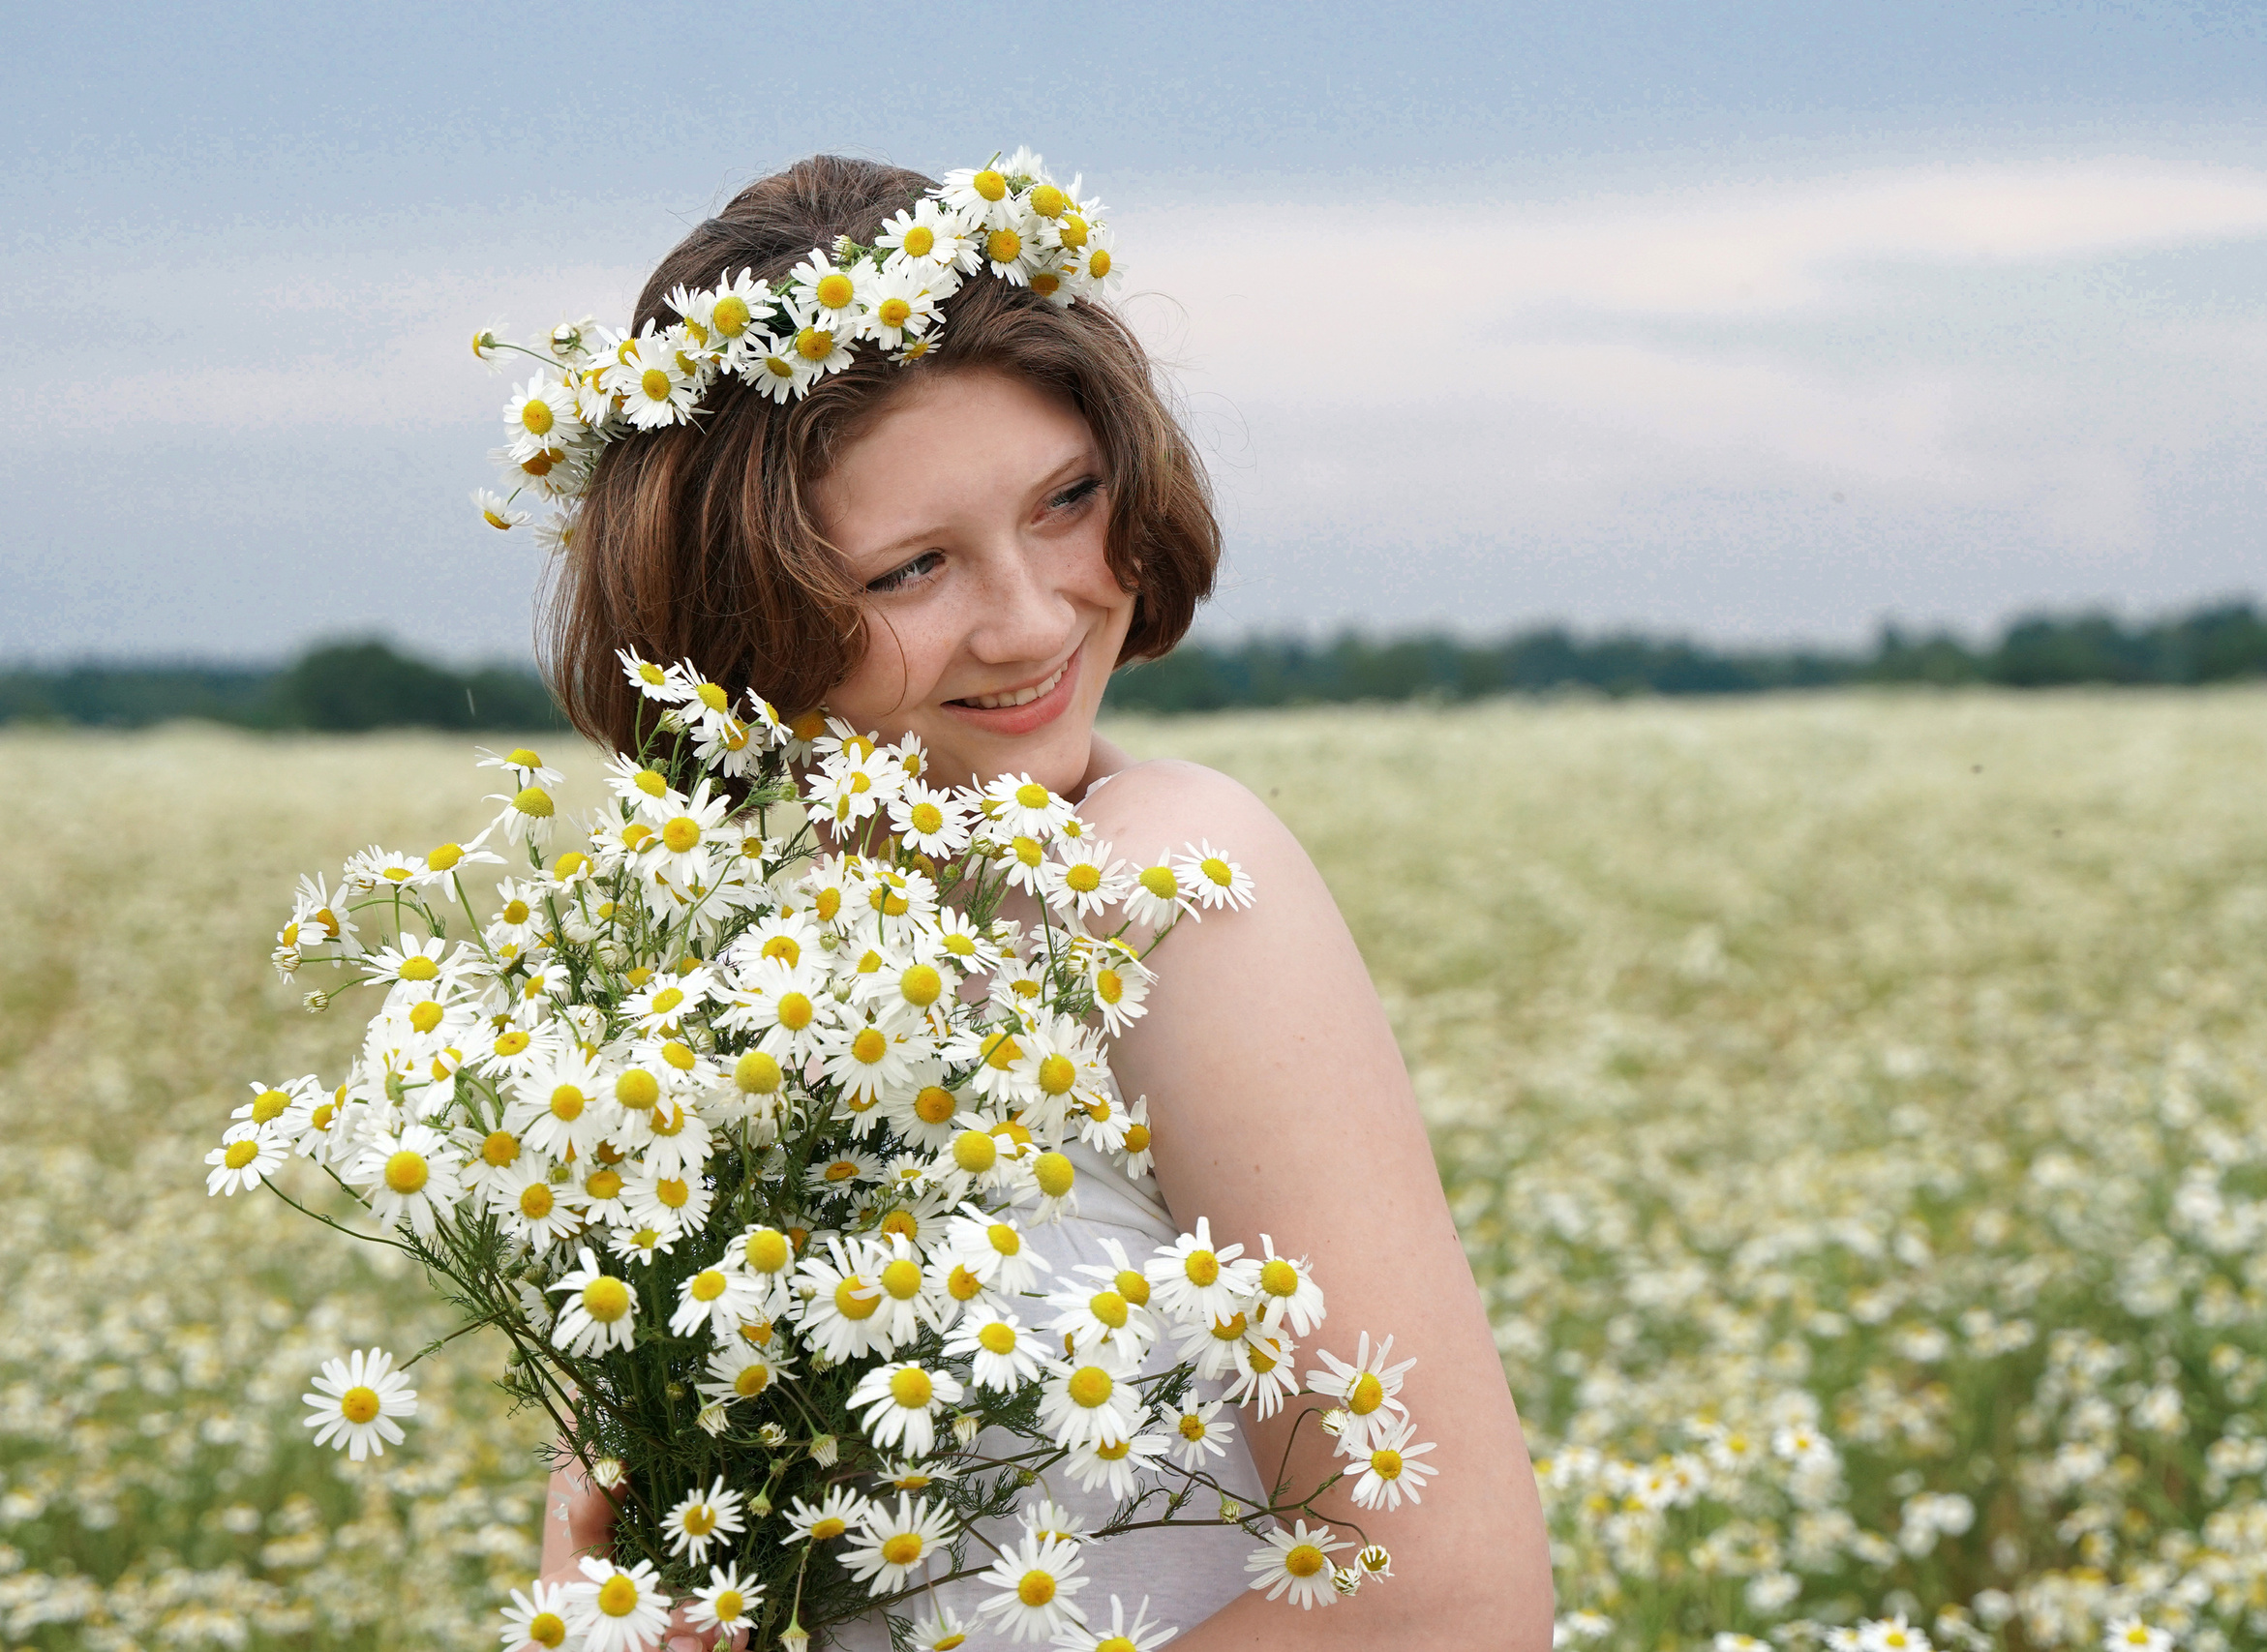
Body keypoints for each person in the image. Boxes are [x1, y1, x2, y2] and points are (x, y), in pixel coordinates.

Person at [530, 153, 1553, 1650]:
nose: (1029, 616)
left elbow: (1444, 1606)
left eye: (1068, 499)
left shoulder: (1172, 878)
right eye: (911, 569)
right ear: (741, 612)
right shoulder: (709, 979)